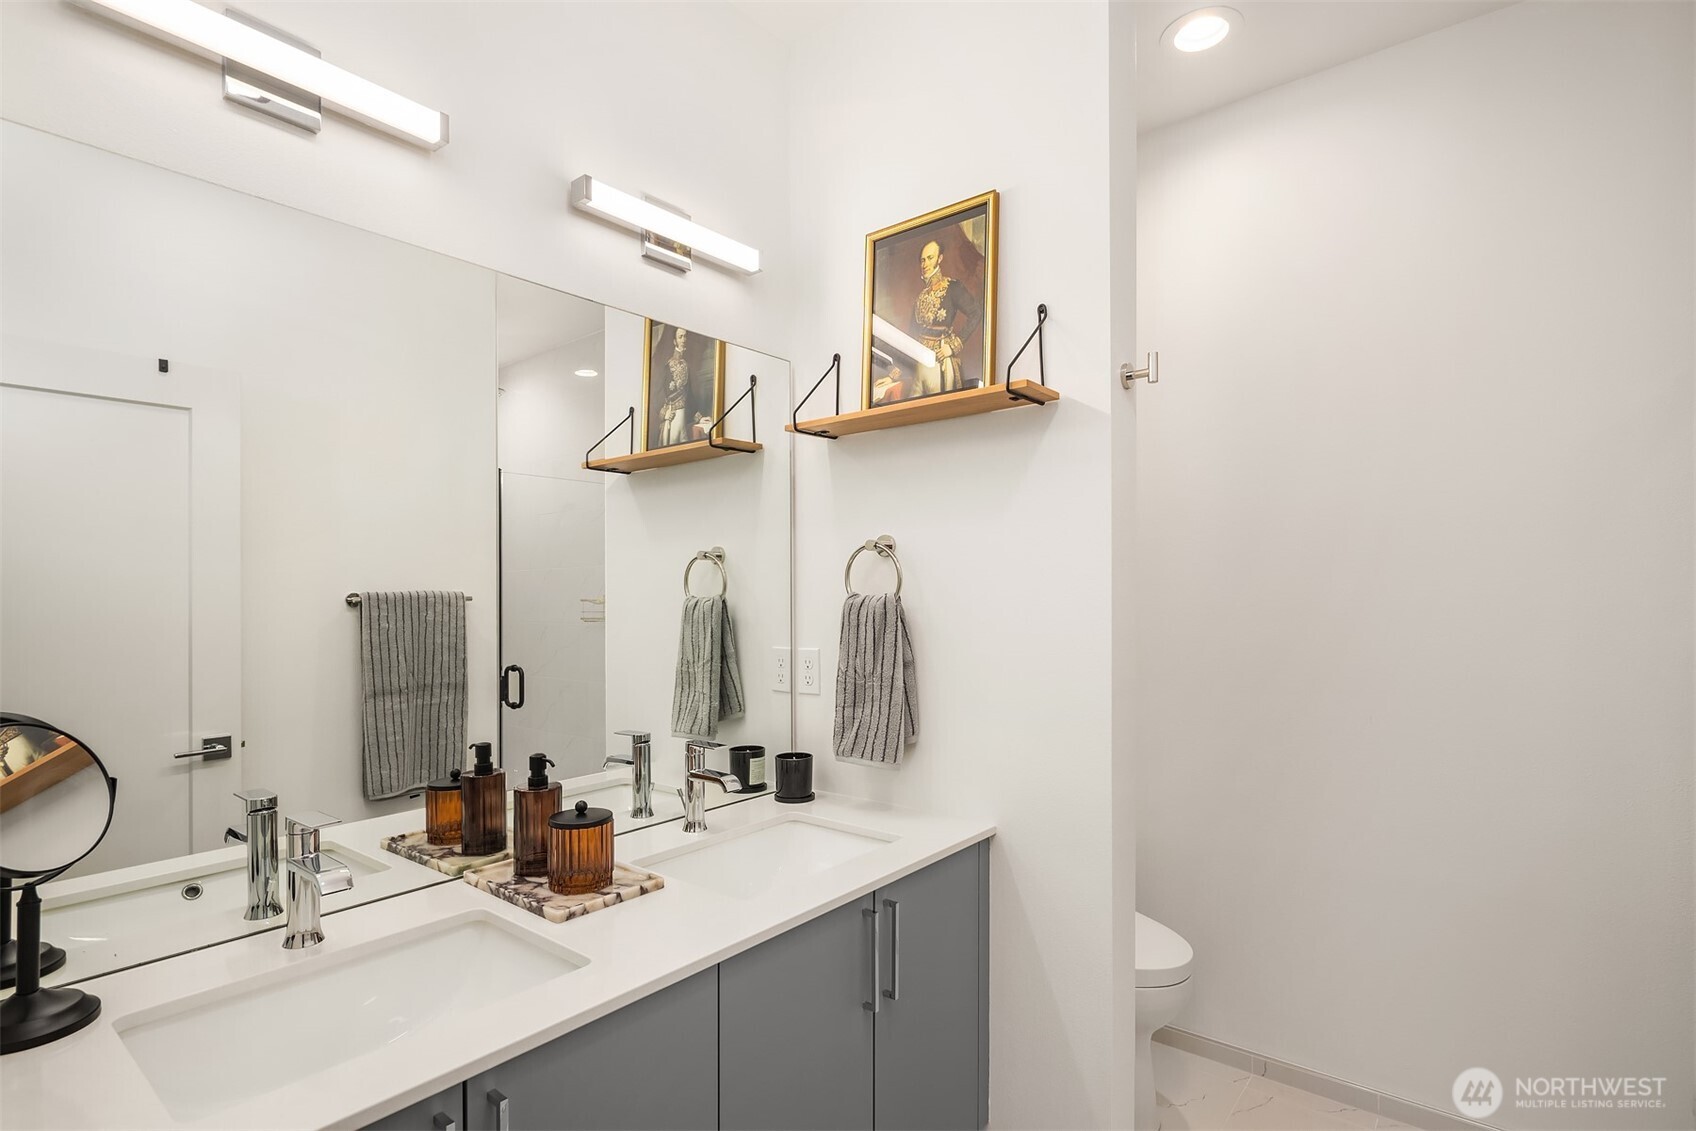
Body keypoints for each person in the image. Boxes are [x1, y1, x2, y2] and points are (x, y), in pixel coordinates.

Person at [908, 239, 983, 397]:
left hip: (940, 362)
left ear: (939, 258)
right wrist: (893, 373)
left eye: (930, 258)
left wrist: (953, 345)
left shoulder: (952, 287)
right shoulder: (920, 297)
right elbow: (911, 334)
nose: (925, 264)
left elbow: (976, 313)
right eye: (922, 260)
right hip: (919, 362)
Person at [659, 326, 689, 446]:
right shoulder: (668, 366)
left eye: (685, 336)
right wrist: (665, 414)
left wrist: (698, 416)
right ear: (674, 341)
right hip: (673, 412)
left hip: (685, 411)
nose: (683, 340)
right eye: (680, 337)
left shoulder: (686, 363)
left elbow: (690, 392)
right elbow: (659, 392)